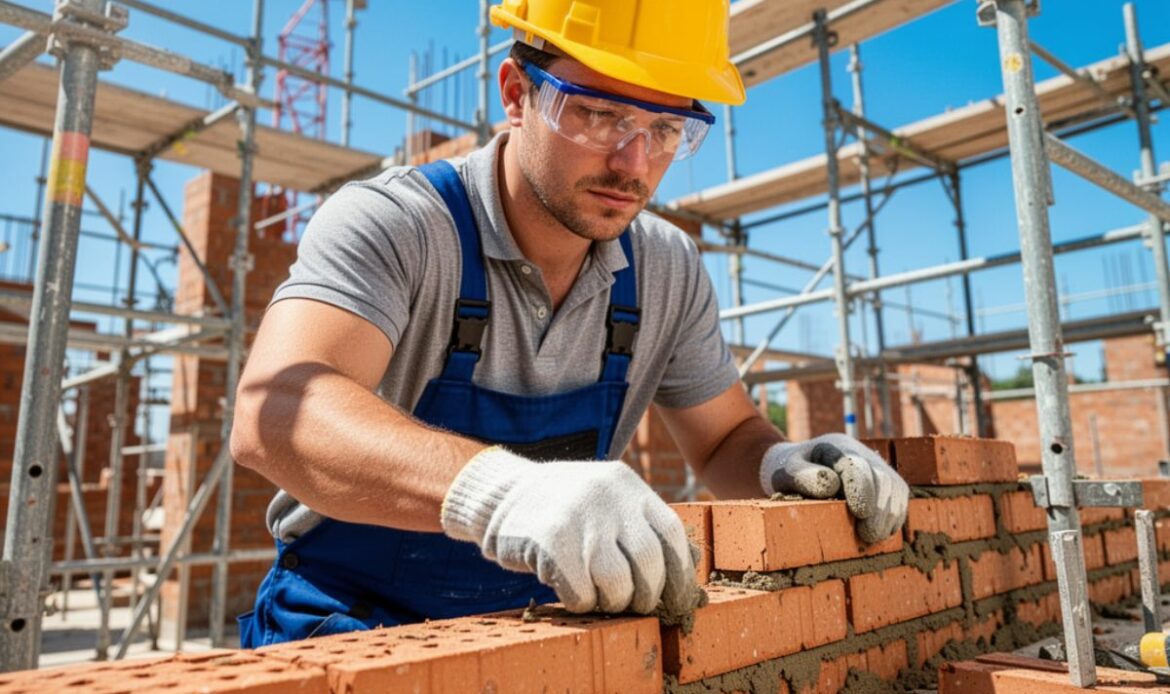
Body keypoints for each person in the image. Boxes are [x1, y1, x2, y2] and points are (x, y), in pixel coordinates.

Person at [230, 0, 910, 648]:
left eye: (667, 130)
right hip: (343, 631)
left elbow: (723, 437)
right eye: (597, 114)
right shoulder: (401, 225)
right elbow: (280, 409)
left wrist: (776, 463)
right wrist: (504, 493)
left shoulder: (665, 269)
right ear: (517, 92)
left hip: (545, 634)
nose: (632, 164)